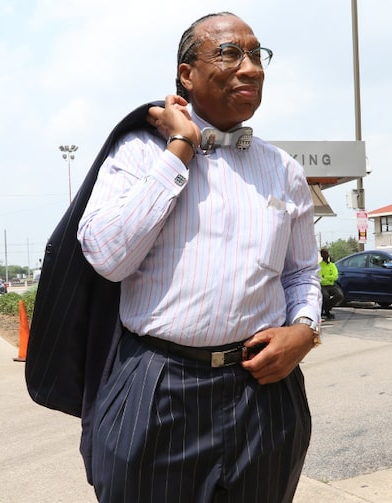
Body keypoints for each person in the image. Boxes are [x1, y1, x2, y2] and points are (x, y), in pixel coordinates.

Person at [75, 12, 322, 502]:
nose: (250, 68)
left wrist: (305, 330)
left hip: (263, 394)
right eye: (230, 53)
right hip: (158, 389)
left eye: (257, 55)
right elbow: (107, 257)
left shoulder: (283, 170)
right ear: (187, 73)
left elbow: (301, 273)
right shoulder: (140, 153)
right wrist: (181, 148)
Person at [319, 248, 344, 319]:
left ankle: (326, 308)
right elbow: (320, 278)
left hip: (332, 285)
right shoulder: (319, 266)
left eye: (327, 253)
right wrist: (330, 277)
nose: (326, 255)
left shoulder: (332, 265)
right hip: (323, 286)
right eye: (324, 253)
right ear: (321, 255)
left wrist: (326, 277)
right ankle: (326, 312)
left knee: (340, 295)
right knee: (325, 296)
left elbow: (335, 277)